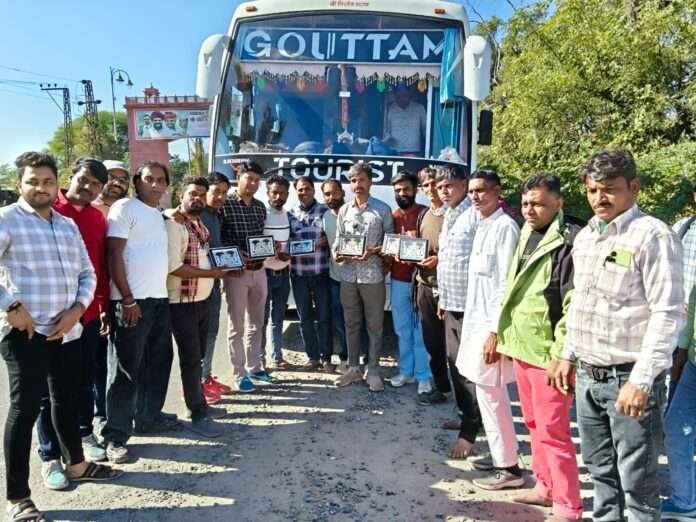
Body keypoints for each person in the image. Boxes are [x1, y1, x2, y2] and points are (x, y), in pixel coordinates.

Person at [556, 150, 685, 522]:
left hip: (628, 381)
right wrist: (567, 354)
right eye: (592, 190)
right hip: (588, 377)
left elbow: (668, 312)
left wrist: (641, 382)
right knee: (601, 476)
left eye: (610, 189)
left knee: (638, 487)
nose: (599, 198)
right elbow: (581, 301)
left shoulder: (652, 236)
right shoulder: (586, 237)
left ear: (634, 187)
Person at [0, 152, 120, 522]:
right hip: (26, 333)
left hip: (67, 330)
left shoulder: (66, 224)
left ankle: (76, 465)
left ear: (57, 185)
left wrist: (77, 310)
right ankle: (18, 497)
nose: (41, 187)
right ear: (20, 184)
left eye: (47, 181)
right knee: (24, 410)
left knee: (67, 400)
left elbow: (87, 272)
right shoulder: (7, 220)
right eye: (33, 181)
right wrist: (10, 306)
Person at [497, 174, 584, 521]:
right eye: (526, 203)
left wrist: (563, 354)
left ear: (558, 203)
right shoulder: (526, 231)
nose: (530, 210)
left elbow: (572, 304)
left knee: (554, 432)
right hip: (523, 346)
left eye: (538, 204)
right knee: (533, 423)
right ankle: (545, 487)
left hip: (549, 354)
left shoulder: (570, 241)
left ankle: (568, 505)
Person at [35, 157, 111, 492]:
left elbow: (99, 266)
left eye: (96, 184)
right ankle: (50, 456)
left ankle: (82, 435)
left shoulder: (96, 217)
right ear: (71, 177)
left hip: (88, 314)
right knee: (47, 392)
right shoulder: (48, 210)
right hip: (49, 317)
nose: (88, 187)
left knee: (82, 382)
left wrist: (102, 304)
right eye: (84, 180)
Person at [101, 161, 176, 464]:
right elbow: (114, 254)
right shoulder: (125, 207)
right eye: (149, 179)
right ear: (137, 181)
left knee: (158, 362)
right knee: (125, 370)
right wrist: (127, 299)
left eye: (160, 180)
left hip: (158, 299)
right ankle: (115, 435)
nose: (155, 184)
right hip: (132, 302)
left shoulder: (158, 214)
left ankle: (148, 417)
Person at [453, 170, 522, 490]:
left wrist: (495, 332)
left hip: (490, 328)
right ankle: (502, 456)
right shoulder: (483, 224)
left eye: (482, 190)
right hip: (476, 321)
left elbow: (507, 284)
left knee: (492, 397)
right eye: (471, 192)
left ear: (497, 192)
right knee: (488, 395)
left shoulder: (505, 227)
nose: (475, 196)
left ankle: (508, 469)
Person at [166, 176, 231, 439]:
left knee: (199, 356)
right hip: (182, 303)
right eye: (192, 193)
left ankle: (199, 403)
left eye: (202, 194)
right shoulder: (173, 224)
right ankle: (196, 414)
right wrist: (212, 274)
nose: (198, 198)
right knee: (191, 359)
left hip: (202, 300)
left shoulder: (198, 223)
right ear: (181, 195)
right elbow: (174, 267)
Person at [434, 165, 483, 459]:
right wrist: (442, 297)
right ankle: (467, 417)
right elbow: (449, 260)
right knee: (455, 364)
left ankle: (470, 432)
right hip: (451, 302)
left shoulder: (475, 215)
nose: (444, 191)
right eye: (440, 187)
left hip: (470, 307)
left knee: (469, 371)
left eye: (449, 185)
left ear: (464, 184)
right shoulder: (450, 213)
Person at [334, 163, 394, 392]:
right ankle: (353, 368)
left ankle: (374, 370)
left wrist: (375, 251)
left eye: (361, 180)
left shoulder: (382, 210)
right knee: (351, 323)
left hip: (372, 275)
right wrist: (337, 253)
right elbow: (338, 241)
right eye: (353, 180)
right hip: (348, 275)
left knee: (375, 325)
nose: (357, 184)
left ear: (370, 182)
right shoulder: (344, 210)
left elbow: (391, 242)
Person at [220, 162, 271, 393]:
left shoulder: (260, 207)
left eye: (257, 180)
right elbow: (218, 239)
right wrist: (234, 255)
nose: (253, 183)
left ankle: (255, 367)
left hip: (259, 271)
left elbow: (260, 238)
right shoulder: (226, 204)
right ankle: (239, 373)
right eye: (248, 178)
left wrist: (269, 249)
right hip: (236, 274)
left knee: (257, 323)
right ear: (238, 177)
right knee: (237, 326)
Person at [661, 190, 696, 520]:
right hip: (688, 348)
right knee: (676, 426)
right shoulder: (683, 228)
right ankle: (686, 502)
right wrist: (682, 351)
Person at [384, 171, 433, 394]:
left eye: (406, 189)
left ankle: (424, 376)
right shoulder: (393, 217)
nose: (402, 193)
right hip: (398, 279)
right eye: (398, 190)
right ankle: (406, 371)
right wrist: (386, 254)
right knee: (402, 328)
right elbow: (387, 248)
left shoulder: (425, 214)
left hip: (421, 281)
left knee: (420, 330)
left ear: (415, 190)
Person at [322, 179, 369, 373]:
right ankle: (346, 356)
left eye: (334, 192)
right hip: (335, 278)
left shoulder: (353, 213)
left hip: (357, 277)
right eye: (327, 194)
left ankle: (366, 356)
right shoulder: (325, 217)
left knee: (360, 318)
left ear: (342, 192)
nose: (331, 197)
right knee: (339, 320)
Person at [414, 167, 450, 406]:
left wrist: (439, 259)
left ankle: (466, 397)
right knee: (432, 343)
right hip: (425, 285)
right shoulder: (424, 215)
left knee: (454, 346)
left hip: (448, 288)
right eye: (426, 185)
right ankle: (443, 388)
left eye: (435, 184)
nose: (431, 189)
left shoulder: (454, 215)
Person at [288, 176, 332, 371]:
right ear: (296, 191)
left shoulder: (325, 211)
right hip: (298, 273)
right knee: (304, 318)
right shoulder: (290, 213)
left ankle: (326, 358)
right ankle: (312, 357)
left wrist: (327, 241)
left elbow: (334, 238)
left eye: (307, 188)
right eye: (300, 189)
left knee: (324, 317)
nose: (303, 192)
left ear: (313, 190)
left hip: (321, 272)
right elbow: (286, 241)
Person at [200, 172, 233, 401]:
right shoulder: (195, 215)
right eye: (216, 191)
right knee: (198, 336)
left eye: (224, 192)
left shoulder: (216, 215)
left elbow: (217, 248)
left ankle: (206, 377)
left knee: (212, 331)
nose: (220, 196)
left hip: (213, 282)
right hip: (196, 285)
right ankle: (195, 385)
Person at [261, 174, 292, 371]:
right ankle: (259, 361)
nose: (278, 196)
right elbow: (254, 243)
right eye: (274, 192)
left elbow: (291, 244)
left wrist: (288, 255)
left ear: (287, 194)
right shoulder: (262, 214)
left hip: (283, 274)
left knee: (278, 319)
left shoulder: (288, 215)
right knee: (260, 320)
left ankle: (276, 357)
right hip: (263, 274)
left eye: (282, 193)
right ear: (268, 193)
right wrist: (270, 251)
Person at [383, 85, 427, 155]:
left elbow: (426, 130)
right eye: (398, 97)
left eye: (404, 95)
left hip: (413, 150)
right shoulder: (391, 109)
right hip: (395, 150)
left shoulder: (419, 108)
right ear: (395, 96)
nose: (401, 99)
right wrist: (387, 138)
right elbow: (386, 130)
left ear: (409, 95)